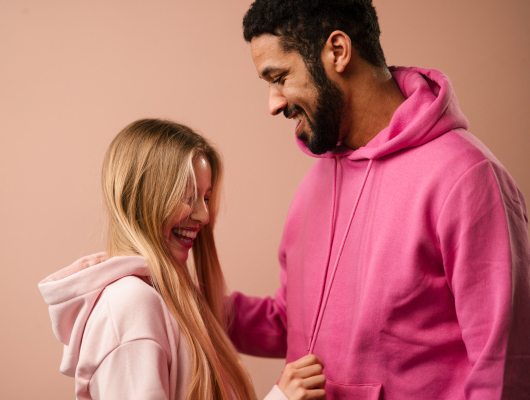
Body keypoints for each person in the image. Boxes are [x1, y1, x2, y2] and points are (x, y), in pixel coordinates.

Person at [226, 0, 530, 398]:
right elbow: (293, 325)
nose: (274, 103)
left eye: (279, 77)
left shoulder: (466, 178)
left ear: (337, 51)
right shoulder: (316, 182)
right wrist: (186, 294)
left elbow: (503, 369)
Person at [38, 119, 326, 400]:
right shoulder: (129, 306)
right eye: (187, 196)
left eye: (207, 198)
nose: (204, 216)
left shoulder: (173, 297)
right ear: (143, 198)